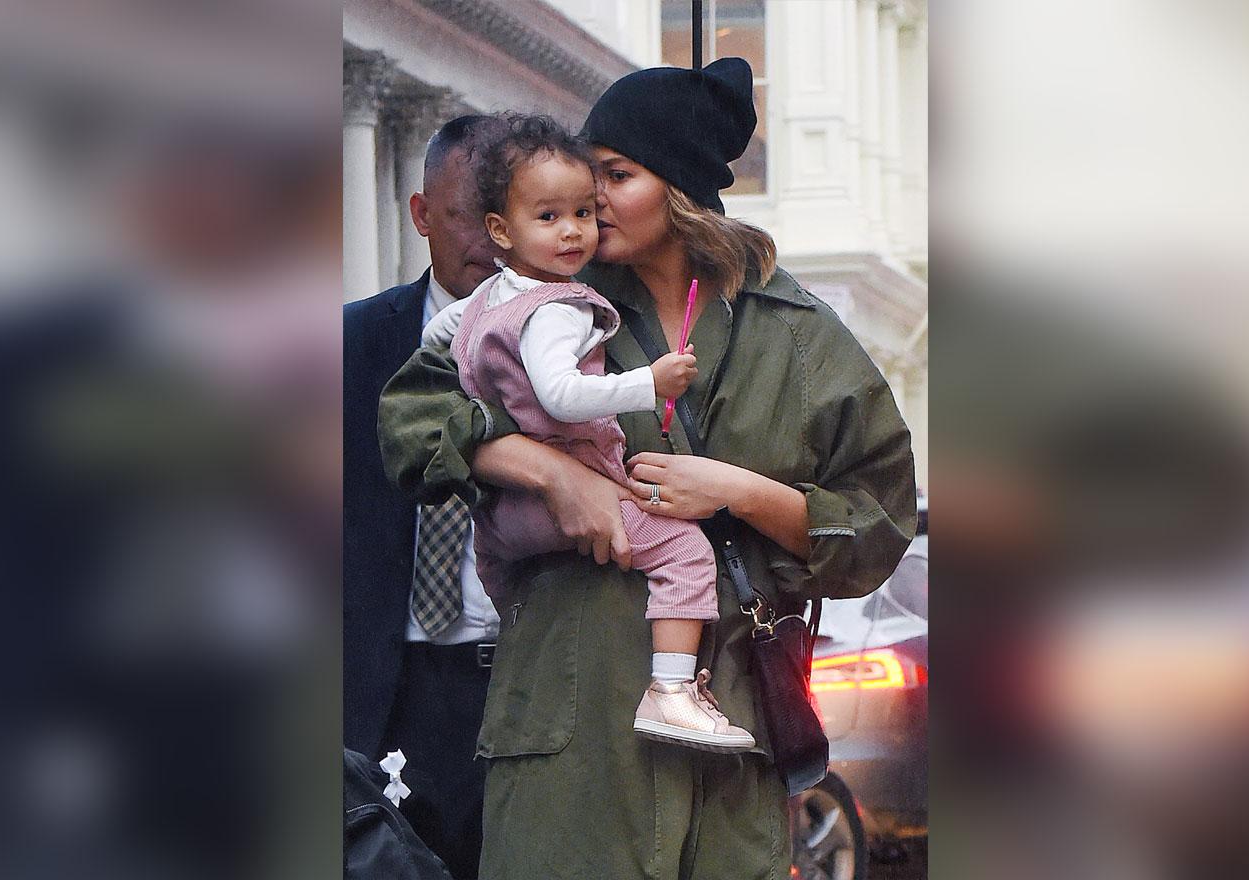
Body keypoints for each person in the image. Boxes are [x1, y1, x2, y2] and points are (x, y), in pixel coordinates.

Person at [379, 59, 916, 879]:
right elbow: (410, 421)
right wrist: (552, 474)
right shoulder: (536, 298)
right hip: (567, 737)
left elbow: (877, 526)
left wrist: (743, 493)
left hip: (732, 743)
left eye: (617, 176)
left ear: (683, 188)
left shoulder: (799, 335)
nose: (589, 202)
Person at [421, 113, 754, 752]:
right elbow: (562, 396)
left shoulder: (484, 301)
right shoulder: (560, 307)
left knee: (511, 599)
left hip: (500, 519)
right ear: (501, 229)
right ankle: (673, 690)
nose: (574, 229)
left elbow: (439, 340)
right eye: (549, 217)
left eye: (581, 213)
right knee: (684, 550)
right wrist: (647, 384)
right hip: (569, 491)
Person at [343, 114, 505, 880]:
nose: (490, 235)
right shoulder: (346, 346)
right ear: (421, 215)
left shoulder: (579, 343)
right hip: (385, 690)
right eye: (468, 213)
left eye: (506, 209)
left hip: (521, 686)